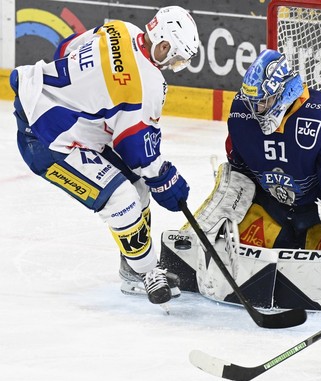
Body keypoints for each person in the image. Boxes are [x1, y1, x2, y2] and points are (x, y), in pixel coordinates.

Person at [10, 6, 199, 305]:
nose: (173, 63)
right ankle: (144, 271)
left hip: (56, 109)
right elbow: (138, 149)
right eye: (175, 56)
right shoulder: (146, 84)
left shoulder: (121, 29)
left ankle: (133, 265)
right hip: (46, 139)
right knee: (122, 197)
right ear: (164, 43)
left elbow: (66, 47)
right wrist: (166, 180)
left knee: (137, 183)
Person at [225, 48, 321, 278]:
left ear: (285, 90)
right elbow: (239, 174)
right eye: (253, 102)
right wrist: (226, 207)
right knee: (230, 247)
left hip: (319, 213)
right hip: (273, 208)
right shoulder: (241, 114)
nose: (257, 110)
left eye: (264, 101)